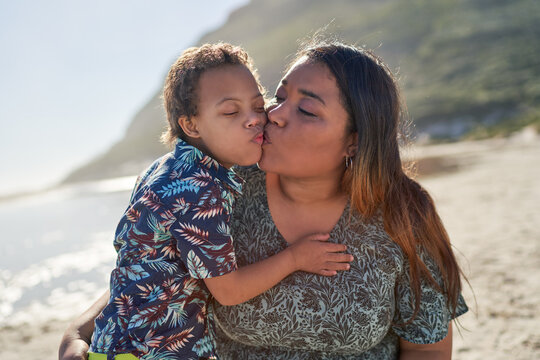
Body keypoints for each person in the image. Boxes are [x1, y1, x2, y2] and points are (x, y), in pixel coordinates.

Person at [60, 41, 468, 360]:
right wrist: (78, 333)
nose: (273, 114)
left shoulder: (403, 215)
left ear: (354, 142)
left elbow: (428, 346)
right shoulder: (220, 188)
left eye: (306, 109)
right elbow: (152, 269)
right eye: (278, 95)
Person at [73, 43, 353, 360]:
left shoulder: (161, 170)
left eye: (258, 106)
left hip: (111, 343)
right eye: (231, 112)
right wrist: (295, 258)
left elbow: (134, 263)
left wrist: (78, 332)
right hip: (155, 351)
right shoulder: (199, 190)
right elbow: (229, 291)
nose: (253, 120)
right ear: (191, 125)